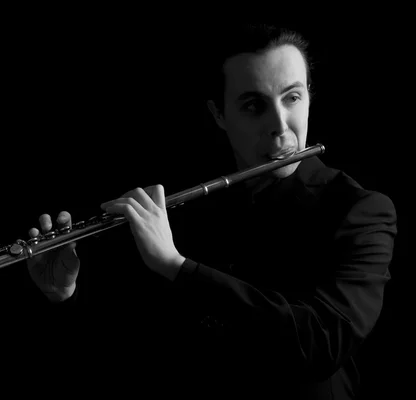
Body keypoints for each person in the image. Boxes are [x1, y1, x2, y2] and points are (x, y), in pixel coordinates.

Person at [22, 24, 397, 399]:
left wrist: (176, 266)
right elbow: (131, 347)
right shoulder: (185, 208)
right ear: (218, 114)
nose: (281, 127)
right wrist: (63, 296)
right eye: (254, 106)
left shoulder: (359, 211)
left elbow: (321, 345)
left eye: (293, 98)